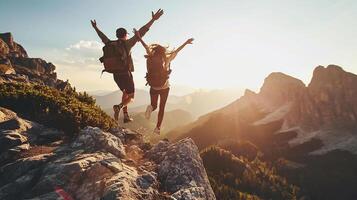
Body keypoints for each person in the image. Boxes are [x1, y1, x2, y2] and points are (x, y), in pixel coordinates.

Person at [91, 9, 164, 123]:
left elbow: (102, 37)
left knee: (125, 93)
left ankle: (125, 116)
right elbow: (142, 31)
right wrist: (153, 20)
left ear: (116, 35)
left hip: (115, 74)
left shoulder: (110, 43)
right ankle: (119, 107)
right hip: (126, 74)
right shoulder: (127, 43)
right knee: (132, 97)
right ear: (125, 35)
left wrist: (95, 28)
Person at [134, 29, 193, 134]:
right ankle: (158, 128)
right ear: (163, 52)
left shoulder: (150, 57)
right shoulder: (166, 59)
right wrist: (186, 43)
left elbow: (145, 46)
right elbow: (177, 51)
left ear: (155, 50)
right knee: (161, 108)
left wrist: (138, 36)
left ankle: (150, 108)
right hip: (164, 87)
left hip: (153, 86)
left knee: (154, 105)